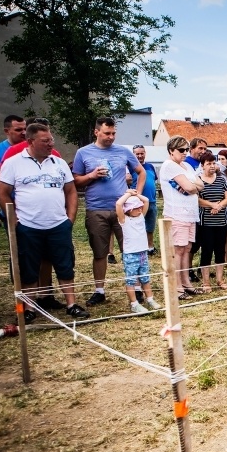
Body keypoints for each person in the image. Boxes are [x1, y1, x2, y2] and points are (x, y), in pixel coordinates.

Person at [0, 122, 90, 322]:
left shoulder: (59, 163)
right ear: (30, 141)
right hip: (28, 226)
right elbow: (3, 192)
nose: (51, 144)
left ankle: (71, 305)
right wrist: (15, 221)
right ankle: (29, 308)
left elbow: (71, 191)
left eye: (51, 140)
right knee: (29, 268)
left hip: (58, 225)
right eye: (45, 140)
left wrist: (69, 218)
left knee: (65, 265)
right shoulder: (13, 163)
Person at [72, 117, 146, 306]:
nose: (111, 137)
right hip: (96, 209)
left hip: (124, 210)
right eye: (107, 133)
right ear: (96, 132)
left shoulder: (123, 151)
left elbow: (141, 171)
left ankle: (136, 288)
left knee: (130, 251)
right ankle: (99, 291)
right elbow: (75, 181)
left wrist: (136, 194)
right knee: (99, 252)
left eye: (113, 133)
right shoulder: (83, 153)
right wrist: (92, 175)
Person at [159, 135, 204, 299]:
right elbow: (189, 187)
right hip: (177, 213)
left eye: (186, 149)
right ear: (171, 151)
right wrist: (192, 186)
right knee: (178, 250)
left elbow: (200, 185)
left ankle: (186, 283)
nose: (185, 153)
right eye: (181, 150)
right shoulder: (169, 166)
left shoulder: (186, 165)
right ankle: (177, 287)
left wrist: (193, 186)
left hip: (190, 214)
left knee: (187, 249)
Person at [115, 191, 161, 313]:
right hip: (130, 255)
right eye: (136, 208)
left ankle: (150, 299)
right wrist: (128, 194)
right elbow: (119, 204)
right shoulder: (124, 220)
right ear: (129, 210)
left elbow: (146, 200)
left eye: (140, 207)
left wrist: (135, 195)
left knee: (145, 278)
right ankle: (134, 303)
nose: (140, 210)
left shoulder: (141, 217)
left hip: (143, 253)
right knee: (131, 280)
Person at [196, 152, 227, 291]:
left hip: (221, 221)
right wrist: (212, 205)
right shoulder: (198, 180)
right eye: (208, 164)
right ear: (202, 165)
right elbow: (197, 200)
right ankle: (205, 282)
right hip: (206, 223)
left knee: (220, 250)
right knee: (206, 250)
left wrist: (220, 206)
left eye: (213, 163)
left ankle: (220, 279)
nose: (212, 166)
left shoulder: (221, 179)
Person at [131, 145, 159, 256]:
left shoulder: (150, 166)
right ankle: (139, 247)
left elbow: (153, 180)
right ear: (133, 154)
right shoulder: (130, 167)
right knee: (137, 226)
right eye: (137, 154)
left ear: (145, 153)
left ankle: (150, 247)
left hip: (151, 201)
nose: (140, 155)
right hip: (137, 202)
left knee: (150, 226)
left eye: (142, 153)